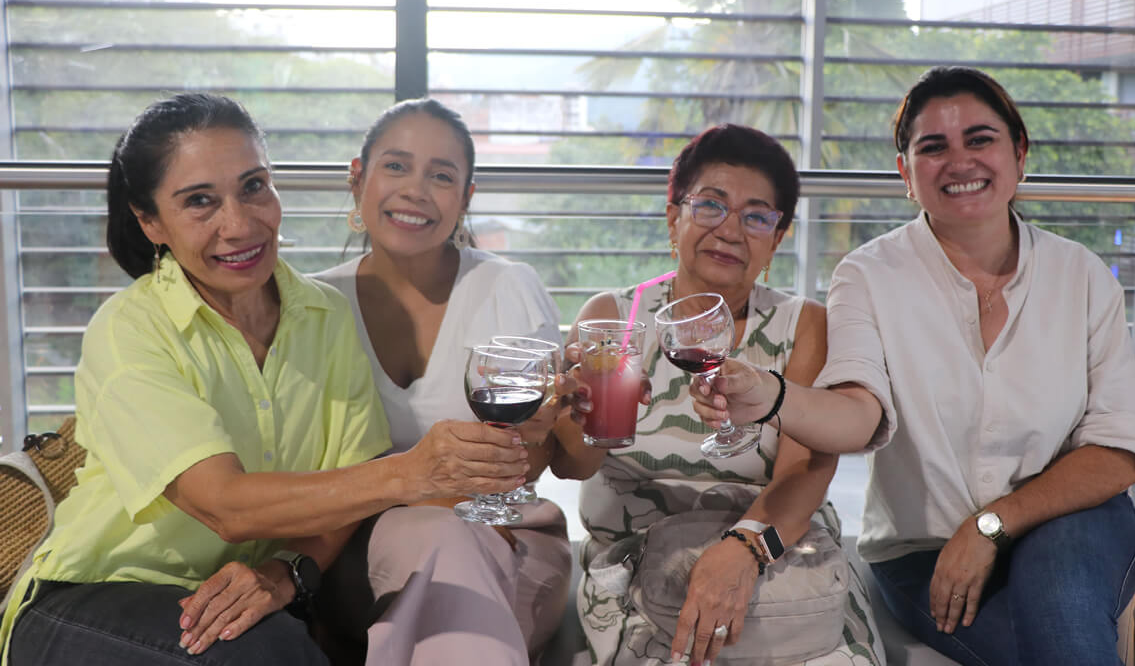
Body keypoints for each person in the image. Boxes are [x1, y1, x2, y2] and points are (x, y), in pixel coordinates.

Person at [0, 93, 532, 666]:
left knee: (280, 641)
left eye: (254, 187)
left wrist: (284, 574)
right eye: (200, 202)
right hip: (95, 596)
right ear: (150, 221)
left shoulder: (327, 317)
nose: (240, 224)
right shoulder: (130, 329)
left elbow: (343, 494)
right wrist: (414, 472)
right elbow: (225, 504)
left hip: (239, 594)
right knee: (269, 654)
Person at [692, 67, 1135, 666]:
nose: (959, 161)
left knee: (1063, 626)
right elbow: (858, 415)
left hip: (1065, 521)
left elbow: (1118, 450)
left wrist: (990, 526)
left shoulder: (1082, 275)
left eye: (980, 139)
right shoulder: (868, 275)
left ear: (1018, 153)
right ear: (906, 175)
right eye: (932, 147)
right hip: (922, 554)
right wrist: (772, 396)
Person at [556, 123, 884, 666]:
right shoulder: (614, 317)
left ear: (776, 239)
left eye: (756, 216)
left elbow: (808, 473)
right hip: (638, 566)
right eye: (711, 205)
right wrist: (581, 419)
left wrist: (747, 549)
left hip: (780, 553)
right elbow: (572, 467)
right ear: (673, 215)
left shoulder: (803, 325)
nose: (731, 230)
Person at [312, 98, 572, 664]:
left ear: (466, 197)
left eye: (442, 175)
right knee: (435, 534)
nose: (416, 190)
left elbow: (546, 449)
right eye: (397, 166)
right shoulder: (312, 306)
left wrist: (563, 420)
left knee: (445, 539)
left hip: (509, 542)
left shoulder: (508, 286)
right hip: (352, 552)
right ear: (358, 179)